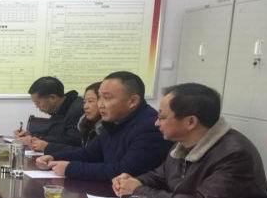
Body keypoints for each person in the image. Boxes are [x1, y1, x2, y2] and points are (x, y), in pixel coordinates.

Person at [112, 83, 267, 198]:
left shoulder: (235, 154)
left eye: (162, 117)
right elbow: (160, 176)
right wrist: (133, 181)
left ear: (191, 122)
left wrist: (138, 191)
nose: (156, 123)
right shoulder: (181, 143)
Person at [35, 71, 171, 182]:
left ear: (132, 101)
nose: (100, 104)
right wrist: (54, 157)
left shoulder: (150, 127)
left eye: (107, 98)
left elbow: (124, 171)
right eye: (99, 97)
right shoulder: (115, 121)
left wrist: (70, 168)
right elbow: (89, 153)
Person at [14, 76, 82, 153]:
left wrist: (33, 140)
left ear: (52, 98)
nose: (37, 106)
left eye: (38, 102)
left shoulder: (76, 110)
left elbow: (72, 142)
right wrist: (30, 135)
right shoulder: (60, 108)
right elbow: (53, 133)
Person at [77, 81, 103, 147]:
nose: (85, 107)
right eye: (84, 102)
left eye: (90, 101)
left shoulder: (109, 130)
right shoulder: (85, 124)